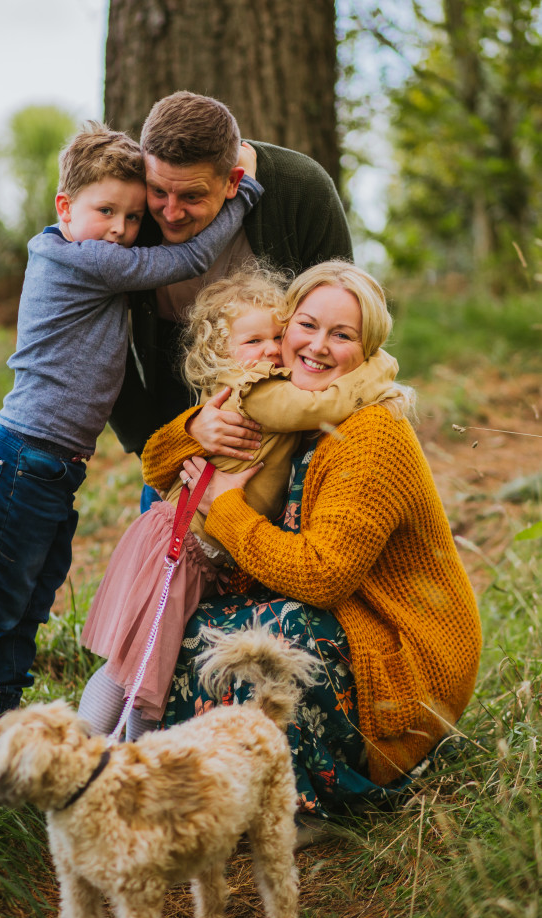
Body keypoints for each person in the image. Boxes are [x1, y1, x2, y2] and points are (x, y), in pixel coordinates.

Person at [0, 122, 265, 737]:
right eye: (106, 211)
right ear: (65, 207)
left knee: (29, 601)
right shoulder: (80, 258)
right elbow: (188, 258)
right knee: (0, 598)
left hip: (53, 465)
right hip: (25, 457)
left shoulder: (88, 253)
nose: (120, 229)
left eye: (133, 217)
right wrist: (244, 195)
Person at [140, 261, 482, 836]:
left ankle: (300, 804)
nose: (318, 346)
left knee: (267, 638)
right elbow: (156, 468)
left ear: (367, 350)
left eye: (342, 335)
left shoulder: (371, 434)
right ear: (285, 327)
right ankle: (193, 784)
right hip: (348, 620)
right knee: (191, 624)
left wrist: (226, 509)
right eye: (306, 325)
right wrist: (195, 428)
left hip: (402, 667)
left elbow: (324, 578)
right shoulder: (296, 408)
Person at [77, 268, 401, 739]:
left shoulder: (268, 383)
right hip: (183, 548)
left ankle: (116, 756)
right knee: (141, 673)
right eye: (253, 341)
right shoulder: (255, 389)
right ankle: (93, 749)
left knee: (140, 668)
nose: (270, 350)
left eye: (275, 336)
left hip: (196, 548)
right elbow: (321, 407)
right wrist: (377, 368)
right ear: (222, 353)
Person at [107, 91, 354, 469]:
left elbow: (345, 315)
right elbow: (95, 339)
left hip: (293, 396)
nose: (170, 212)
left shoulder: (301, 188)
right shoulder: (125, 204)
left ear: (234, 182)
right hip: (175, 390)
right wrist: (158, 441)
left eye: (192, 196)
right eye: (158, 191)